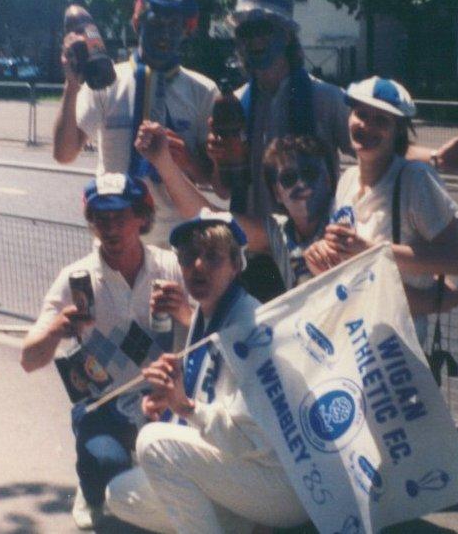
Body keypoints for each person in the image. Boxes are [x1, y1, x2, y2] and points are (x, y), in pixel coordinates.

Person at [207, 0, 458, 299]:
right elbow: (224, 189)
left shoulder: (322, 97)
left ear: (286, 35)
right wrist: (215, 160)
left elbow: (374, 143)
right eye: (247, 31)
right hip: (251, 254)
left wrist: (436, 157)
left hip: (312, 257)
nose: (255, 41)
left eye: (264, 28)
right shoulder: (235, 104)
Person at [106, 210, 307, 533]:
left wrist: (185, 407)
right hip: (244, 470)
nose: (197, 266)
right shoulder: (207, 312)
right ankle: (238, 525)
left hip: (280, 481)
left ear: (236, 265)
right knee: (120, 494)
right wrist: (168, 404)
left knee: (154, 444)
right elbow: (209, 405)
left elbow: (252, 439)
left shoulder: (247, 326)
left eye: (212, 257)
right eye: (188, 257)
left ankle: (237, 523)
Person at [135, 122, 458, 314]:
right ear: (276, 193)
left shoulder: (348, 221)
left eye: (310, 174)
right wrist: (163, 161)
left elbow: (446, 291)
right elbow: (210, 217)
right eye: (289, 179)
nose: (301, 185)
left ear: (330, 180)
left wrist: (432, 300)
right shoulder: (278, 233)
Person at [20, 173, 189, 529]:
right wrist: (55, 330)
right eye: (101, 218)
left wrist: (185, 313)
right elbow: (28, 360)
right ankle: (92, 485)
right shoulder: (76, 277)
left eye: (120, 217)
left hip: (163, 398)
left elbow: (212, 332)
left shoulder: (170, 267)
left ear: (142, 217)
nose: (110, 229)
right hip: (105, 405)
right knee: (107, 467)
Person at [53, 0, 220, 247]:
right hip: (115, 238)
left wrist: (188, 161)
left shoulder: (204, 91)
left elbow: (214, 178)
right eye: (155, 23)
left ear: (186, 31)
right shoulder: (106, 82)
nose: (164, 35)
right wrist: (72, 84)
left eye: (174, 25)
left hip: (180, 239)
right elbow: (64, 154)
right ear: (137, 24)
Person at [304, 76, 458, 344]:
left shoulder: (416, 180)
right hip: (351, 334)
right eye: (361, 114)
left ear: (398, 131)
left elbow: (454, 259)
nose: (367, 126)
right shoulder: (347, 179)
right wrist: (321, 254)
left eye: (381, 120)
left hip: (397, 345)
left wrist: (370, 252)